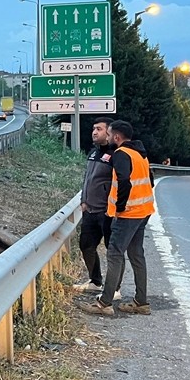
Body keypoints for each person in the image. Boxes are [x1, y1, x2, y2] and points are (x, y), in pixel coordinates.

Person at [78, 120, 154, 317]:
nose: (109, 138)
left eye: (110, 134)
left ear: (117, 137)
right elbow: (150, 180)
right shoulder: (139, 154)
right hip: (143, 211)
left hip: (128, 213)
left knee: (115, 254)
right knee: (137, 254)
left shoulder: (121, 154)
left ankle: (105, 303)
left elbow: (124, 182)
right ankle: (141, 301)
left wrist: (119, 208)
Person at [72, 117, 117, 298]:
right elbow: (87, 178)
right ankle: (95, 281)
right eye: (93, 129)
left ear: (109, 133)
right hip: (89, 210)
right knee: (86, 246)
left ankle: (115, 288)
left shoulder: (116, 155)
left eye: (99, 129)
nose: (94, 132)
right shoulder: (93, 153)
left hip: (107, 212)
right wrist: (83, 200)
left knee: (112, 251)